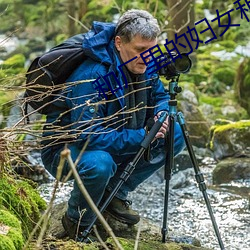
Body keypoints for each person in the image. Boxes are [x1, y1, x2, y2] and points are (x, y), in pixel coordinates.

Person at [41, 9, 185, 241]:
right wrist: (142, 135)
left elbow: (159, 96)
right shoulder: (92, 75)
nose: (148, 58)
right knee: (100, 164)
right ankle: (76, 221)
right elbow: (87, 135)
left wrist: (161, 114)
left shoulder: (143, 64)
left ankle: (115, 193)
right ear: (119, 43)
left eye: (152, 50)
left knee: (175, 132)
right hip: (67, 150)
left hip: (117, 136)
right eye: (140, 50)